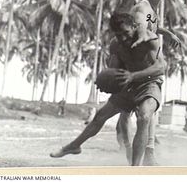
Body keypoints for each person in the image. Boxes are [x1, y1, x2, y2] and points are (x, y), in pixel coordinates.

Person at [50, 11, 166, 166]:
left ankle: (135, 169)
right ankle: (74, 146)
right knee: (100, 116)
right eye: (119, 35)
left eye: (126, 33)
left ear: (134, 26)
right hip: (129, 84)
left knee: (144, 117)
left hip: (149, 83)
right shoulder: (115, 45)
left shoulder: (150, 40)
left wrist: (133, 76)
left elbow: (161, 67)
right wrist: (109, 82)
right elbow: (114, 69)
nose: (123, 38)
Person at [116, 0, 181, 165]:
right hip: (131, 67)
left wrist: (167, 32)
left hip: (145, 69)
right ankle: (128, 148)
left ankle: (145, 154)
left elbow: (153, 26)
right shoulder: (143, 8)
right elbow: (142, 26)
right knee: (127, 112)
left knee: (145, 111)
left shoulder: (153, 11)